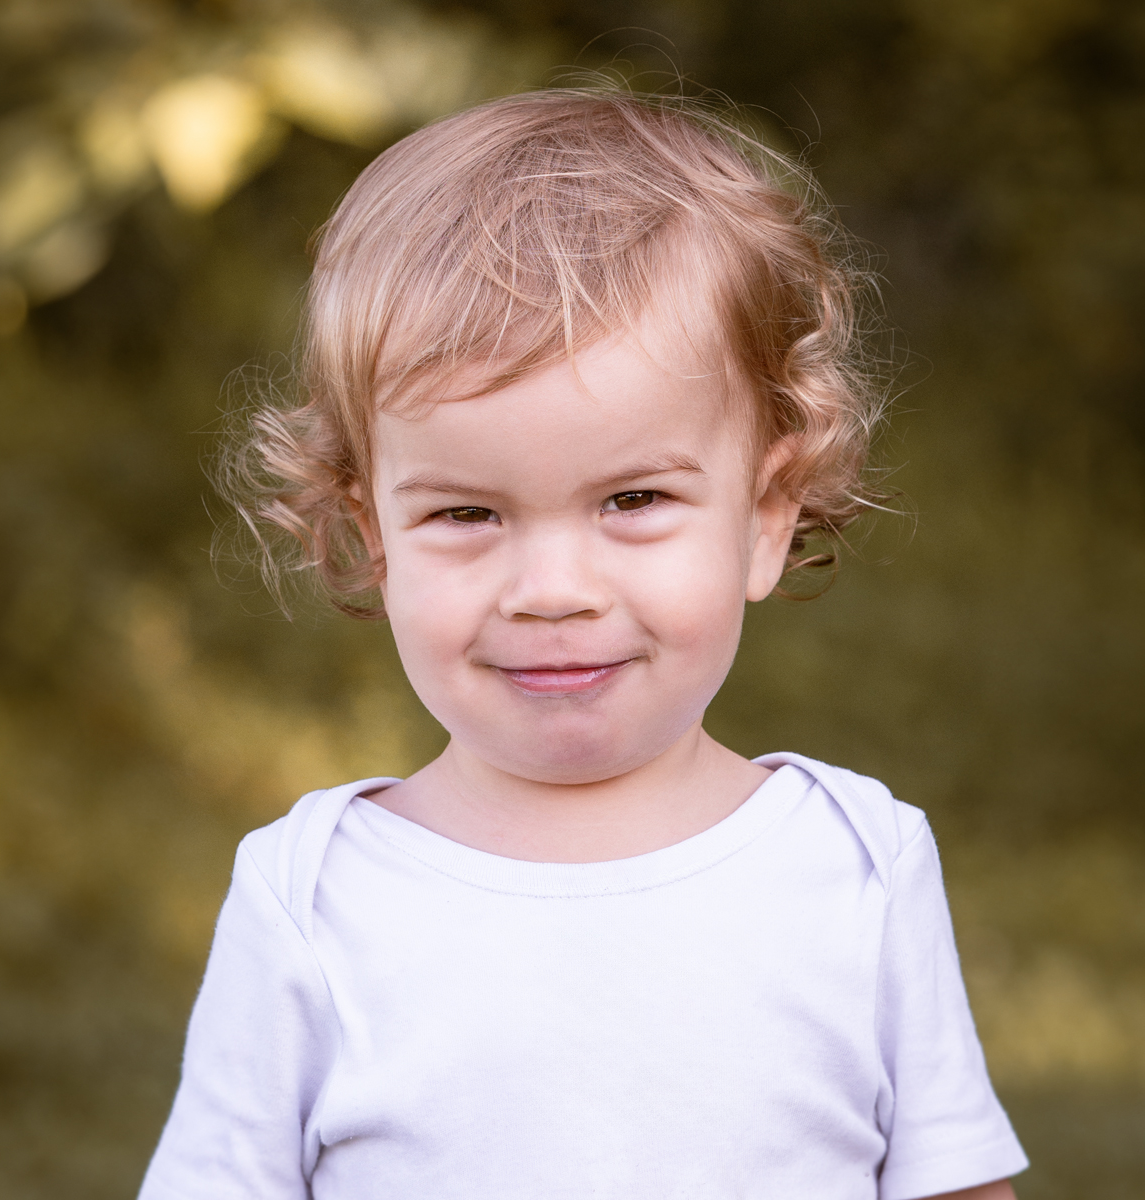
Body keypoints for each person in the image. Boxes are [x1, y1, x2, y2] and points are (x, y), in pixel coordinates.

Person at [140, 88, 1028, 1199]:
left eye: (634, 498)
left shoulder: (859, 867)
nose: (552, 591)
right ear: (373, 538)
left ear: (767, 516)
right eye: (466, 514)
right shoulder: (311, 900)